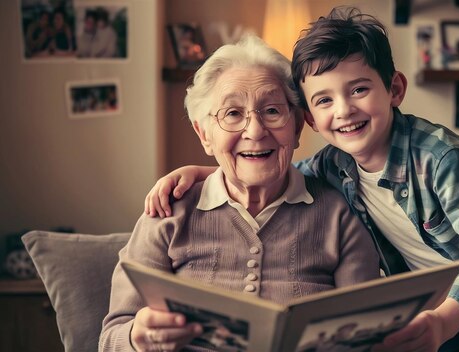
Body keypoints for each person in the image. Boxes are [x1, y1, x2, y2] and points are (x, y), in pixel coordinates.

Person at [144, 7, 459, 352]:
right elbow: (271, 171)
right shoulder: (333, 165)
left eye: (359, 89)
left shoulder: (442, 157)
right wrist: (207, 171)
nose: (343, 110)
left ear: (395, 89)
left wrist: (440, 324)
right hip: (441, 308)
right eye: (324, 99)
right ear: (309, 115)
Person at [99, 35, 381, 352]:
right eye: (233, 114)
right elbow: (111, 338)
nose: (255, 131)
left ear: (297, 127)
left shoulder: (339, 214)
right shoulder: (168, 212)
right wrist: (138, 337)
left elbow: (367, 335)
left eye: (272, 110)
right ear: (204, 134)